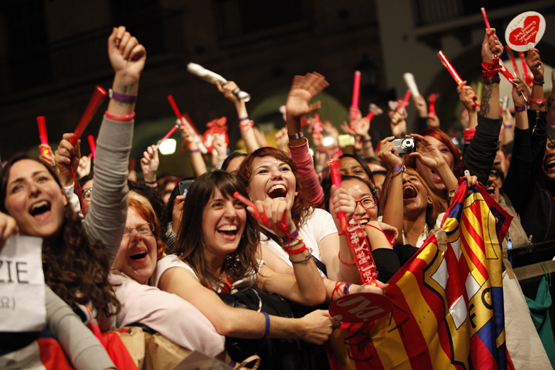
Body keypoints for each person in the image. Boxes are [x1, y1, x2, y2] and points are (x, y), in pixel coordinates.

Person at [0, 26, 145, 328]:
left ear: (62, 195)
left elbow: (110, 177)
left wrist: (126, 81)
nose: (35, 190)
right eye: (18, 186)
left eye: (42, 179)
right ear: (5, 209)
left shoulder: (90, 251)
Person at [152, 171, 347, 368]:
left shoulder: (240, 267)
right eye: (217, 204)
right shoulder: (172, 268)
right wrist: (299, 328)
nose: (232, 214)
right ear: (195, 217)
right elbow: (225, 319)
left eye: (239, 205)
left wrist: (290, 236)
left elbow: (311, 294)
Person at [111, 197, 226, 360]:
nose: (137, 236)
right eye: (123, 231)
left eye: (143, 229)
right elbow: (174, 312)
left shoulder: (165, 268)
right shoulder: (112, 288)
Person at [237, 147, 361, 283]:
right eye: (263, 171)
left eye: (284, 169)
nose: (277, 175)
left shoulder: (314, 217)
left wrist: (344, 228)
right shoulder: (247, 239)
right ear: (247, 191)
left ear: (295, 189)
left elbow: (346, 281)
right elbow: (309, 288)